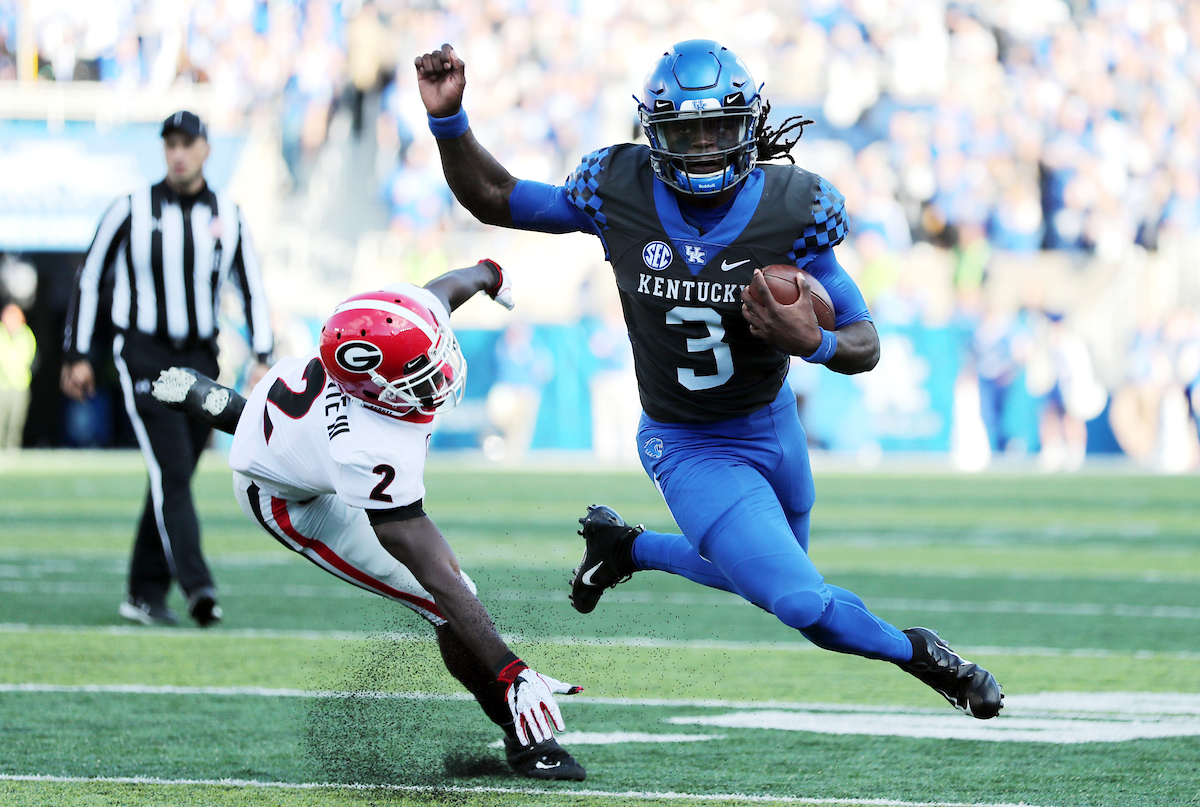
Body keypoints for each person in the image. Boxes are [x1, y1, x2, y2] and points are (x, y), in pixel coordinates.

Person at [414, 40, 1003, 719]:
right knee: (802, 600)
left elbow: (865, 344)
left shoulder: (793, 205)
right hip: (688, 441)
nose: (701, 147)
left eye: (717, 128)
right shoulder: (618, 187)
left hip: (771, 422)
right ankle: (923, 655)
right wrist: (449, 120)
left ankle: (626, 547)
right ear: (653, 131)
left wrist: (817, 343)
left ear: (749, 124)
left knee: (770, 574)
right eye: (684, 131)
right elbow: (496, 197)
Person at [149, 260, 587, 780]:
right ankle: (524, 741)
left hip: (287, 418)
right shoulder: (365, 445)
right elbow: (437, 576)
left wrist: (488, 274)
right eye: (421, 375)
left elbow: (441, 292)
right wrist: (511, 670)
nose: (442, 377)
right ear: (373, 389)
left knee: (283, 438)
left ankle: (230, 410)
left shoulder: (394, 324)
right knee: (446, 599)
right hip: (289, 501)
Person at [61, 110, 274, 628]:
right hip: (145, 353)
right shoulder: (130, 209)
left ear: (206, 149)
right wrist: (78, 353)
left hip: (201, 356)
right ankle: (199, 587)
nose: (178, 153)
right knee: (173, 471)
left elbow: (251, 285)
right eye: (169, 144)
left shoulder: (229, 212)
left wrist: (262, 352)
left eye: (187, 143)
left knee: (171, 475)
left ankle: (142, 594)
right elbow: (90, 279)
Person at [0, 301, 36, 449]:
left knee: (16, 422)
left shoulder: (26, 334)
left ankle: (12, 449)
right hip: (2, 386)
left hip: (20, 386)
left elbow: (27, 358)